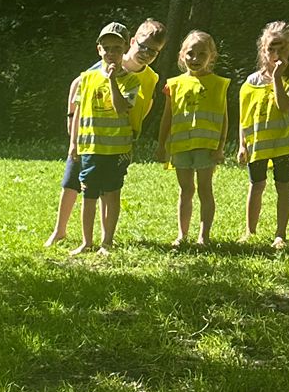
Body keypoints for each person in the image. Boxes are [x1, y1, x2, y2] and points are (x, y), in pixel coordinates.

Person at [45, 19, 164, 247]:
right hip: (89, 136)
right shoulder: (108, 61)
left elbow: (147, 102)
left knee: (107, 189)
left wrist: (134, 128)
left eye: (153, 51)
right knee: (72, 179)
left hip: (117, 141)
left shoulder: (150, 77)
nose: (146, 53)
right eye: (143, 47)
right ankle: (60, 230)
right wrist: (71, 122)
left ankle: (104, 240)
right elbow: (78, 86)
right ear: (132, 42)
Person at [237, 21, 289, 249]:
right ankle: (250, 231)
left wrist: (277, 77)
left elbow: (283, 105)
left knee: (283, 185)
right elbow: (244, 116)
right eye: (271, 49)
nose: (276, 54)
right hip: (258, 143)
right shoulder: (252, 81)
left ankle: (280, 234)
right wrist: (242, 145)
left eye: (282, 48)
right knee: (256, 185)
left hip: (283, 143)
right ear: (263, 49)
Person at [157, 30, 229, 246]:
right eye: (190, 53)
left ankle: (203, 236)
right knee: (185, 189)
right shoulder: (174, 84)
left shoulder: (218, 84)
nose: (195, 58)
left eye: (202, 54)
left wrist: (220, 147)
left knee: (205, 189)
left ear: (212, 56)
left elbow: (224, 119)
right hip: (181, 145)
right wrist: (161, 145)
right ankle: (182, 235)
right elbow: (167, 117)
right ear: (182, 55)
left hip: (206, 146)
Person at [66, 23, 132, 255]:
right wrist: (74, 143)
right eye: (107, 48)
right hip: (90, 148)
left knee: (112, 194)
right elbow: (78, 112)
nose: (111, 53)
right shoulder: (87, 78)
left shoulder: (131, 80)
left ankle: (107, 242)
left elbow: (121, 108)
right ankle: (87, 242)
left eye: (117, 48)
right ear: (99, 50)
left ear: (126, 49)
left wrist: (112, 80)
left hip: (116, 149)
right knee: (88, 195)